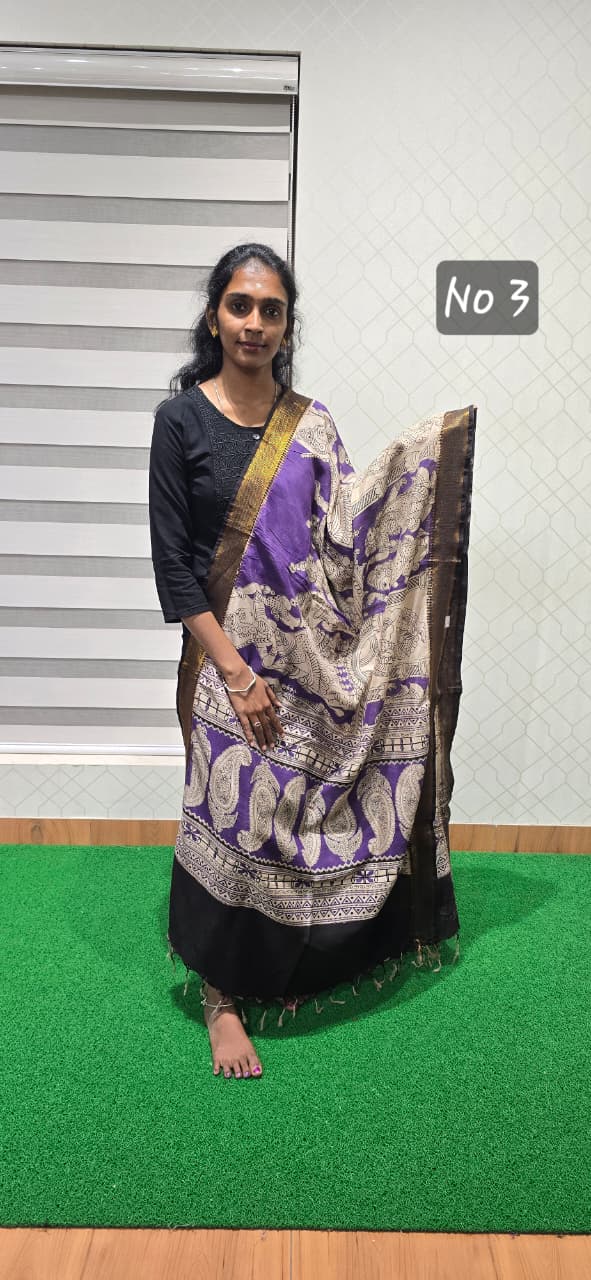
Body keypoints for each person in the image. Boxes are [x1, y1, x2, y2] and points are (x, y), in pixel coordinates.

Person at [148, 242, 476, 1082]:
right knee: (232, 818)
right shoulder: (181, 422)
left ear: (286, 326)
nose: (254, 323)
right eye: (240, 305)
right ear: (214, 316)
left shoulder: (312, 425)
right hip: (223, 662)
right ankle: (221, 995)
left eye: (271, 310)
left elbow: (345, 539)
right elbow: (174, 566)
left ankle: (293, 962)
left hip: (308, 660)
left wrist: (421, 464)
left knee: (292, 815)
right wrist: (236, 675)